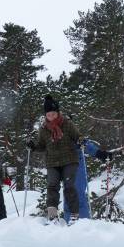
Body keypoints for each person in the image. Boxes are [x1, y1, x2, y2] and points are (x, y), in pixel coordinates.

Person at [27, 95, 83, 225]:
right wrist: (33, 147)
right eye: (48, 114)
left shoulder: (67, 124)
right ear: (45, 115)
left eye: (53, 114)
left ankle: (74, 215)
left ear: (57, 113)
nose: (51, 116)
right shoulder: (43, 129)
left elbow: (77, 136)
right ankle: (52, 215)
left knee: (69, 186)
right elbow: (42, 145)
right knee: (52, 186)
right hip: (52, 162)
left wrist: (80, 141)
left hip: (69, 160)